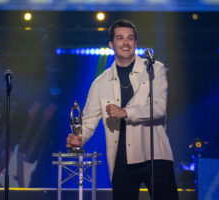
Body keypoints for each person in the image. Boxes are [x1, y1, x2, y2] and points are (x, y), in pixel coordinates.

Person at [66, 19, 179, 200]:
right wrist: (79, 138)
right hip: (121, 161)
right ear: (111, 44)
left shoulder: (154, 69)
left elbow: (159, 109)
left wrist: (125, 112)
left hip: (155, 156)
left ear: (135, 42)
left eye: (130, 38)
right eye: (120, 38)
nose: (125, 43)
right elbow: (88, 121)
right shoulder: (100, 83)